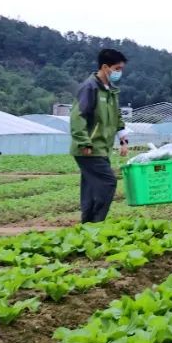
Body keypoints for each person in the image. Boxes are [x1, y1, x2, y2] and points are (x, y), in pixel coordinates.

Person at [69, 48, 128, 223]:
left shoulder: (110, 90)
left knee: (91, 188)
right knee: (107, 182)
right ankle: (97, 223)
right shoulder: (90, 87)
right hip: (90, 148)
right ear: (105, 67)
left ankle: (87, 225)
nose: (119, 73)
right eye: (117, 68)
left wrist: (123, 138)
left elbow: (116, 116)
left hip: (102, 148)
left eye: (121, 69)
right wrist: (84, 142)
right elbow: (77, 116)